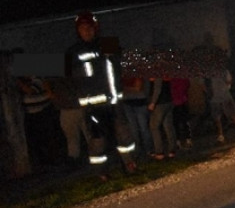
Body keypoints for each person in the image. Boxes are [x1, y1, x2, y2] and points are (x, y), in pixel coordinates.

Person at [65, 11, 137, 179]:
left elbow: (125, 63)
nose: (86, 31)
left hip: (114, 102)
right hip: (93, 106)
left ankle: (130, 164)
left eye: (89, 28)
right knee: (98, 140)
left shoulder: (108, 44)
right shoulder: (73, 52)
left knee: (124, 135)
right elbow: (66, 78)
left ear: (95, 28)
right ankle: (101, 172)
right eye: (83, 28)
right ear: (78, 31)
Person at [206, 67, 235, 143]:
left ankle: (221, 135)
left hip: (216, 98)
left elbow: (204, 85)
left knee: (218, 118)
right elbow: (229, 81)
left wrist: (209, 93)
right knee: (233, 114)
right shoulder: (224, 71)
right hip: (224, 96)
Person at [121, 74, 154, 160]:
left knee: (143, 128)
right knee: (134, 129)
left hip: (139, 102)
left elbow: (138, 88)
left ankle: (148, 149)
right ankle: (139, 151)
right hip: (129, 102)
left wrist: (126, 89)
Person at [147, 76, 176, 159]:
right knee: (168, 127)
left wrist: (153, 103)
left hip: (160, 104)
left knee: (154, 127)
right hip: (168, 101)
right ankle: (172, 151)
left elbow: (157, 89)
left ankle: (159, 152)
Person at [170, 76, 193, 150]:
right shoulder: (182, 77)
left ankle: (178, 141)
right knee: (184, 121)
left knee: (176, 123)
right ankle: (187, 140)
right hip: (182, 101)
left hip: (175, 102)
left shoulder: (172, 79)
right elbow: (187, 85)